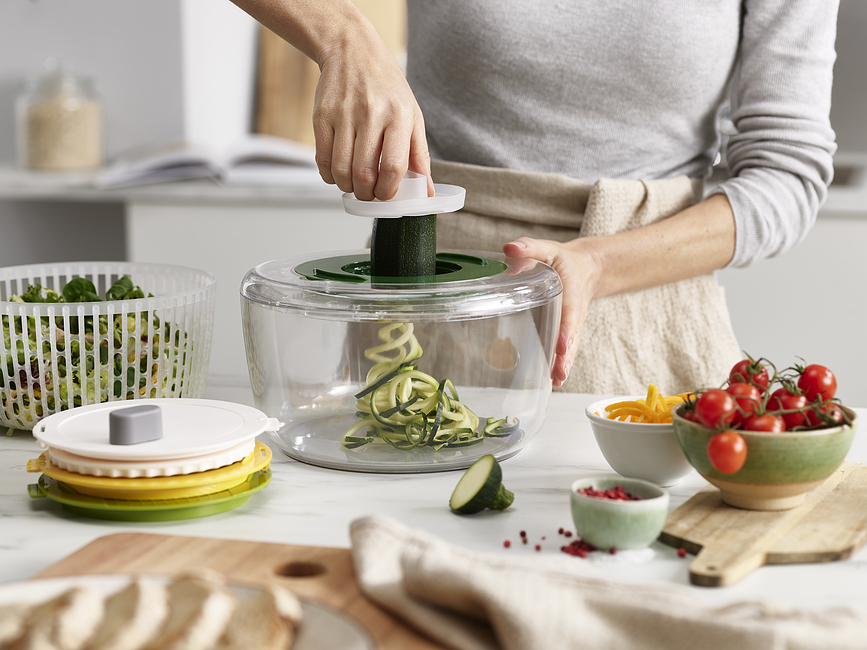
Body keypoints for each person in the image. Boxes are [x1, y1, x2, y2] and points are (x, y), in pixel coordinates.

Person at [232, 0, 838, 394]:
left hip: (653, 317)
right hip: (435, 306)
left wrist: (599, 263)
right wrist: (342, 34)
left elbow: (786, 173)